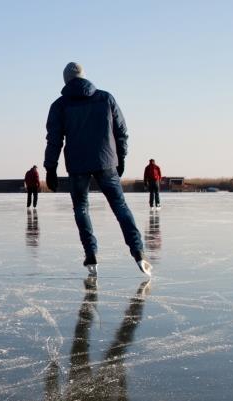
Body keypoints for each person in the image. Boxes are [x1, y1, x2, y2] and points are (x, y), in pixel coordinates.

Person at [43, 63, 151, 276]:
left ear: (66, 81)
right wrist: (121, 157)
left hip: (78, 165)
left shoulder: (60, 105)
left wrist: (50, 168)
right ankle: (138, 251)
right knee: (120, 207)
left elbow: (54, 140)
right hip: (106, 162)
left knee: (81, 208)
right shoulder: (105, 98)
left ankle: (90, 254)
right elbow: (121, 131)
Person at [44, 277, 149, 401]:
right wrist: (121, 384)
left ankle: (96, 298)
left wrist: (52, 373)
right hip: (99, 392)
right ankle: (122, 302)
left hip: (88, 390)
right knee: (92, 343)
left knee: (102, 345)